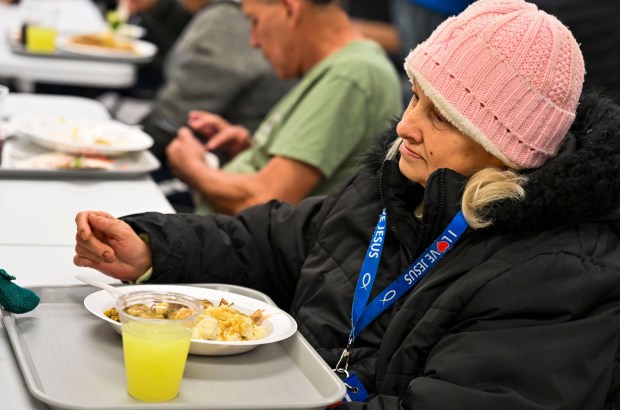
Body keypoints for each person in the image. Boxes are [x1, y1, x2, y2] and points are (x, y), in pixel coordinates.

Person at [73, 0, 620, 407]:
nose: (405, 125)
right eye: (415, 97)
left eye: (440, 116)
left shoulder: (561, 274)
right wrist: (150, 249)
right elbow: (266, 243)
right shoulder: (396, 187)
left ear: (505, 148)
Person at [165, 0, 403, 215]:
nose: (253, 40)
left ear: (290, 9)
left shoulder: (352, 76)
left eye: (254, 21)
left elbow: (263, 200)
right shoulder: (348, 67)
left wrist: (193, 169)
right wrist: (248, 152)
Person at [122, 0, 293, 162]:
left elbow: (172, 118)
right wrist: (159, 9)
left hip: (220, 161)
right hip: (239, 154)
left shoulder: (232, 18)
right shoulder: (228, 16)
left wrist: (120, 149)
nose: (255, 41)